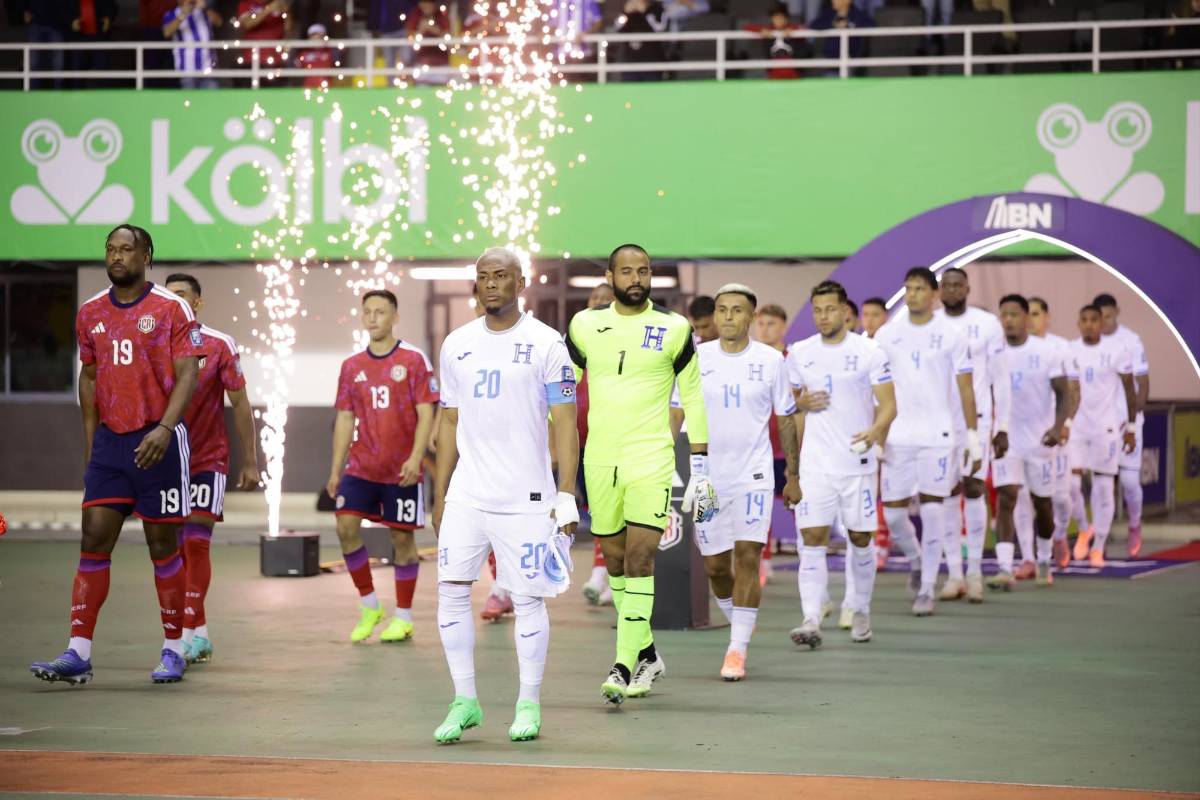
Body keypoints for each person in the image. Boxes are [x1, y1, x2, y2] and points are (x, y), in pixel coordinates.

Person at [31, 225, 202, 686]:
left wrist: (166, 428)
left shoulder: (171, 308)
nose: (117, 256)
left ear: (147, 255)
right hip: (112, 444)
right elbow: (89, 377)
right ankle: (78, 652)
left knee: (163, 546)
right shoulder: (90, 313)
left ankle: (173, 649)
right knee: (93, 538)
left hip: (159, 442)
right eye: (110, 249)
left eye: (126, 249)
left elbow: (189, 374)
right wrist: (93, 442)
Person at [431, 247, 579, 743]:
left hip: (527, 497)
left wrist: (564, 493)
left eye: (502, 276)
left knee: (529, 598)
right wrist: (440, 490)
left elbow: (566, 422)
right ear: (475, 285)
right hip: (468, 494)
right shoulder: (456, 344)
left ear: (521, 283)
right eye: (483, 277)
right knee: (451, 590)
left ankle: (528, 703)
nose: (491, 283)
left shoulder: (546, 343)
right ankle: (465, 700)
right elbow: (448, 420)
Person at [566, 243, 713, 704]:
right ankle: (647, 653)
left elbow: (693, 398)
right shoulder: (584, 325)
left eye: (644, 271)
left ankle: (623, 664)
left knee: (641, 559)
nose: (636, 278)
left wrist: (702, 468)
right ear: (610, 276)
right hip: (599, 459)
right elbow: (562, 394)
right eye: (626, 271)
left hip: (652, 459)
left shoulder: (674, 328)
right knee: (614, 563)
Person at [693, 284, 798, 681]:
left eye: (737, 311)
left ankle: (736, 649)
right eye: (722, 310)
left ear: (751, 317)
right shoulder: (696, 359)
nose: (728, 317)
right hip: (706, 479)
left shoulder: (771, 361)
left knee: (749, 556)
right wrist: (671, 468)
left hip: (754, 475)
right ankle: (741, 621)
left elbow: (785, 417)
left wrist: (793, 473)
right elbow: (675, 412)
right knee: (716, 566)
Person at [787, 280, 895, 648]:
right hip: (816, 465)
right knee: (812, 537)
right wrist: (800, 407)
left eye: (830, 309)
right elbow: (789, 407)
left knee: (860, 538)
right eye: (817, 310)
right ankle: (811, 618)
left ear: (846, 311)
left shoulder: (869, 351)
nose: (823, 316)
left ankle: (860, 607)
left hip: (857, 463)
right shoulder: (800, 352)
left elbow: (889, 405)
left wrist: (875, 431)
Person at [326, 290, 438, 644]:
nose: (373, 318)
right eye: (368, 312)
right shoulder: (352, 366)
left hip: (400, 470)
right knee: (345, 528)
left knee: (402, 539)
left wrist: (415, 457)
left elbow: (427, 412)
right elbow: (345, 418)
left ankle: (403, 617)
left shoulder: (413, 359)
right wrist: (335, 470)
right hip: (361, 466)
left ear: (395, 317)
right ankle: (370, 604)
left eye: (381, 312)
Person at [165, 274, 260, 665]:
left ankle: (185, 635)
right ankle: (201, 632)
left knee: (196, 540)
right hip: (167, 460)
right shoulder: (152, 343)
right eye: (169, 297)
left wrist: (251, 461)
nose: (176, 303)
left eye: (183, 296)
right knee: (174, 547)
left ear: (198, 303)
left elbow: (240, 403)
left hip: (208, 458)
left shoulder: (219, 345)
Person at [875, 267, 980, 617]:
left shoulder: (952, 334)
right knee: (892, 515)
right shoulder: (887, 335)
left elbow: (967, 388)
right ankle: (917, 559)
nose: (913, 294)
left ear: (933, 294)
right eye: (908, 288)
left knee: (934, 510)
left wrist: (974, 436)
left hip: (939, 436)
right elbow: (876, 388)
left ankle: (927, 588)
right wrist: (876, 431)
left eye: (920, 288)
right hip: (899, 436)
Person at [936, 268, 1010, 601]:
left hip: (976, 419)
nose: (951, 289)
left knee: (974, 487)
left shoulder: (987, 324)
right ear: (940, 290)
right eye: (946, 285)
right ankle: (954, 574)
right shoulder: (930, 324)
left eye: (957, 284)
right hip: (938, 422)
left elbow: (1001, 378)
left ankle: (976, 572)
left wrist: (1002, 425)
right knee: (947, 493)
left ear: (967, 287)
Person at [988, 295, 1070, 590]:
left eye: (1014, 314)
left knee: (1042, 505)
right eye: (1003, 315)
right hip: (1005, 440)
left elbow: (1063, 393)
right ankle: (1005, 568)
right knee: (1007, 497)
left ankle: (1044, 558)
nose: (1008, 320)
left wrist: (1058, 426)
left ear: (1026, 318)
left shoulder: (1046, 351)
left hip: (1039, 441)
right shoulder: (992, 353)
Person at [1066, 305, 1137, 568]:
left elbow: (1130, 389)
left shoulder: (1116, 351)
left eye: (1093, 320)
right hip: (1076, 426)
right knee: (1071, 486)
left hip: (1106, 428)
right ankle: (1085, 529)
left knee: (1103, 487)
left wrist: (1131, 428)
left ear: (1101, 323)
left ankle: (1098, 547)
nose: (1088, 325)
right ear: (1078, 323)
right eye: (1083, 320)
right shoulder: (1070, 350)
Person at [1022, 297, 1077, 568]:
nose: (1030, 319)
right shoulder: (1011, 347)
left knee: (1060, 497)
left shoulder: (1061, 348)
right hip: (1023, 436)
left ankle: (1060, 533)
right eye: (1027, 314)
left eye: (1035, 314)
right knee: (1021, 497)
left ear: (1047, 317)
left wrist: (1064, 425)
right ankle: (1029, 559)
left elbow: (1072, 392)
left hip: (1054, 433)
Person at [1094, 293, 1150, 557]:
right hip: (1100, 422)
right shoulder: (1090, 342)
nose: (1104, 321)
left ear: (1117, 311)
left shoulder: (1131, 340)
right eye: (1100, 317)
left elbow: (1142, 378)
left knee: (1128, 480)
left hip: (1127, 420)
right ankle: (1099, 539)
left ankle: (1135, 524)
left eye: (1108, 316)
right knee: (1102, 483)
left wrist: (1134, 416)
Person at [580, 282, 617, 608]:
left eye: (607, 299)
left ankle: (601, 575)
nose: (600, 303)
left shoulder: (623, 342)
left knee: (608, 511)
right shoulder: (575, 339)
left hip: (610, 440)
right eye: (596, 298)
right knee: (596, 511)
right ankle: (604, 577)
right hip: (577, 441)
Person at [755, 302, 790, 587]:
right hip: (760, 448)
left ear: (783, 327)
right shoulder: (751, 360)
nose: (765, 329)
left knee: (800, 505)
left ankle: (810, 557)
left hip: (790, 450)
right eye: (761, 324)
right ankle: (763, 560)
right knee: (761, 506)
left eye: (771, 324)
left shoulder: (795, 360)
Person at [163, 0, 222, 89]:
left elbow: (219, 22)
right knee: (190, 101)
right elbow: (167, 32)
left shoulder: (203, 12)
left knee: (212, 101)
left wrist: (205, 8)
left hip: (207, 68)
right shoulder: (172, 14)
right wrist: (183, 14)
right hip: (187, 70)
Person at [743, 4, 808, 80]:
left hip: (794, 74)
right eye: (775, 18)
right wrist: (761, 30)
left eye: (780, 18)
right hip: (774, 74)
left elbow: (806, 28)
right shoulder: (768, 30)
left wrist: (793, 30)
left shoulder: (792, 28)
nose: (778, 21)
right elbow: (746, 27)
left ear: (786, 19)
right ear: (772, 19)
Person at [20, 1, 72, 89]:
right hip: (36, 23)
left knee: (57, 63)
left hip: (57, 25)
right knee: (33, 61)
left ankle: (58, 92)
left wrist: (67, 18)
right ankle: (32, 93)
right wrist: (24, 10)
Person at [615, 0, 667, 82]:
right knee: (630, 92)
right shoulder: (629, 10)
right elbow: (617, 28)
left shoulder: (657, 8)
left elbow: (660, 28)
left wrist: (645, 12)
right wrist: (625, 13)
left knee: (652, 91)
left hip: (652, 61)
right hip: (630, 60)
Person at [236, 0, 292, 74]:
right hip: (251, 60)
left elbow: (289, 30)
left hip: (276, 61)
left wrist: (286, 11)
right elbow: (247, 24)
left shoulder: (279, 3)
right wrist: (268, 9)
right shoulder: (247, 3)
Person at [809, 0, 873, 64]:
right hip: (831, 60)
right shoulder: (829, 14)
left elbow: (870, 25)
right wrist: (833, 25)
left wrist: (848, 25)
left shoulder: (856, 14)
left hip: (852, 60)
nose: (833, 1)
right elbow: (814, 25)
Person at [406, 0, 450, 84]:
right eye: (423, 3)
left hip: (441, 63)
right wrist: (420, 30)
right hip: (421, 63)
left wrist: (436, 30)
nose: (426, 6)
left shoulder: (441, 15)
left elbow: (448, 36)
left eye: (428, 3)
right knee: (421, 92)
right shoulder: (415, 15)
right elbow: (409, 37)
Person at [296, 23, 337, 89]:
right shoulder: (304, 53)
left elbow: (337, 60)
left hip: (327, 88)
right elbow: (294, 66)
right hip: (308, 88)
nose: (316, 39)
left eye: (319, 36)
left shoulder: (329, 51)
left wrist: (330, 44)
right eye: (313, 36)